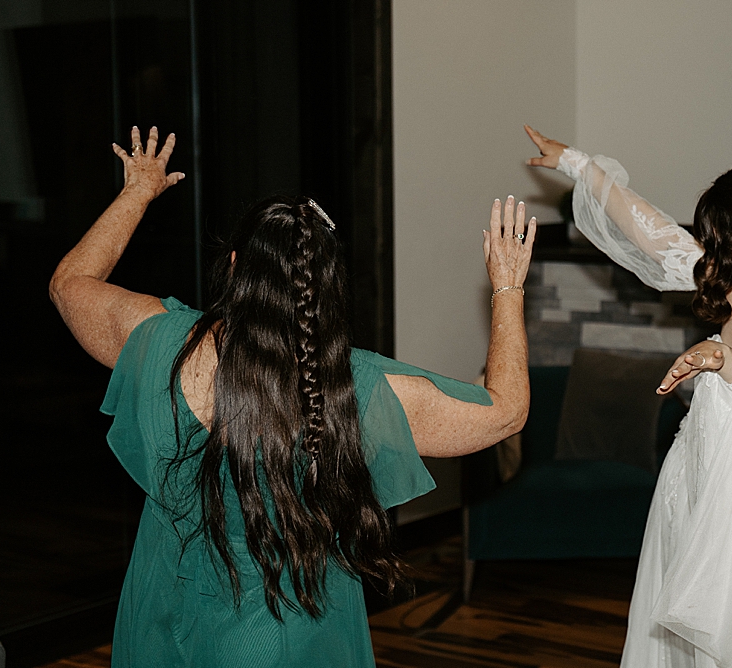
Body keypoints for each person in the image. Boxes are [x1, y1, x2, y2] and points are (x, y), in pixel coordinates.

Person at [49, 126, 536, 667]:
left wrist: (137, 190)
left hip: (162, 616)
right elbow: (506, 413)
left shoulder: (157, 339)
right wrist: (507, 285)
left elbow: (69, 282)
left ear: (233, 267)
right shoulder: (359, 390)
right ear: (324, 287)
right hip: (288, 631)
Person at [525, 125, 732, 667]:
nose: (710, 254)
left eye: (721, 243)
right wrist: (580, 166)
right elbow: (652, 234)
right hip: (685, 490)